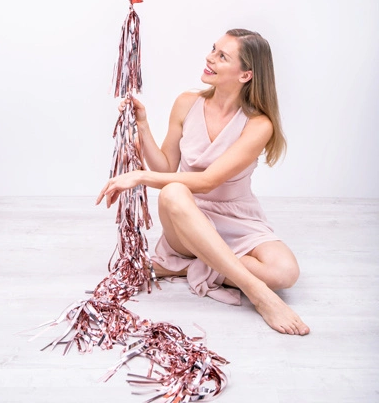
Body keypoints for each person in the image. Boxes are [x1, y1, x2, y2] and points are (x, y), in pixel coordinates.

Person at [96, 29, 310, 336]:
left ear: (245, 75)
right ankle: (259, 294)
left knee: (285, 273)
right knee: (174, 192)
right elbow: (167, 168)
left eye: (222, 56)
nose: (210, 58)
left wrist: (140, 176)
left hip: (237, 217)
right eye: (213, 49)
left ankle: (182, 266)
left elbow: (208, 181)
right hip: (185, 215)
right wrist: (143, 126)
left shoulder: (259, 124)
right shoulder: (186, 103)